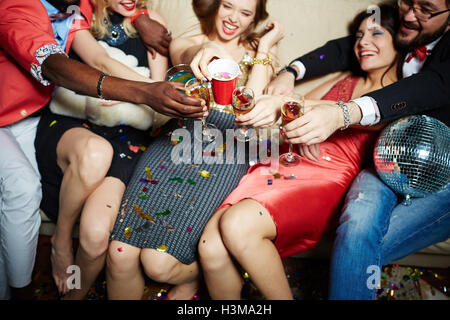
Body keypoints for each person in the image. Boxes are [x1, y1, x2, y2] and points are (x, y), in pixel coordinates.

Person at [0, 0, 204, 300]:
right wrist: (142, 92)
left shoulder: (150, 18)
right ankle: (61, 240)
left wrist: (142, 21)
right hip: (73, 126)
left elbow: (158, 91)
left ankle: (73, 294)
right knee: (86, 158)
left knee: (96, 237)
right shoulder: (80, 14)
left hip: (125, 135)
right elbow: (98, 62)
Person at [197, 3, 403, 300]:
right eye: (358, 36)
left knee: (237, 225)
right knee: (210, 246)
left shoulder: (400, 94)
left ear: (400, 39)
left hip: (327, 178)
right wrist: (297, 120)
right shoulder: (347, 79)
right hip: (283, 163)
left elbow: (308, 107)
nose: (363, 43)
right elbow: (293, 105)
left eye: (376, 33)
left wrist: (308, 112)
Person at [267, 0, 449, 300]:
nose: (408, 14)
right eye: (407, 1)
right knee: (356, 230)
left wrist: (342, 113)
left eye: (425, 9)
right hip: (390, 157)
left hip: (445, 173)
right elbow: (342, 49)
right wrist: (290, 70)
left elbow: (429, 86)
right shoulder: (404, 31)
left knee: (360, 249)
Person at [105, 0, 284, 300]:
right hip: (175, 142)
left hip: (229, 149)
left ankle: (203, 271)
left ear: (256, 18)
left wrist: (265, 45)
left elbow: (248, 108)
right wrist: (202, 56)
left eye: (245, 13)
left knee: (157, 263)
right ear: (215, 5)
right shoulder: (190, 43)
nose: (233, 18)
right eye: (228, 6)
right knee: (120, 252)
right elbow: (185, 55)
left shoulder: (260, 55)